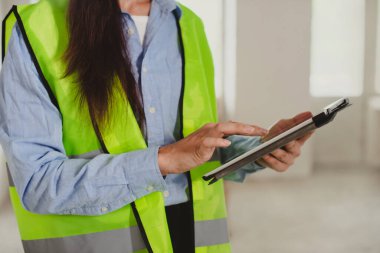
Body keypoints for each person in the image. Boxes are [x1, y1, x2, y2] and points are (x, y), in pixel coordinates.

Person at [0, 0, 312, 252]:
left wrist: (258, 151)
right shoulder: (38, 28)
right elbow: (37, 183)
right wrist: (161, 160)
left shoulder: (187, 24)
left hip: (189, 237)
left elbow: (191, 153)